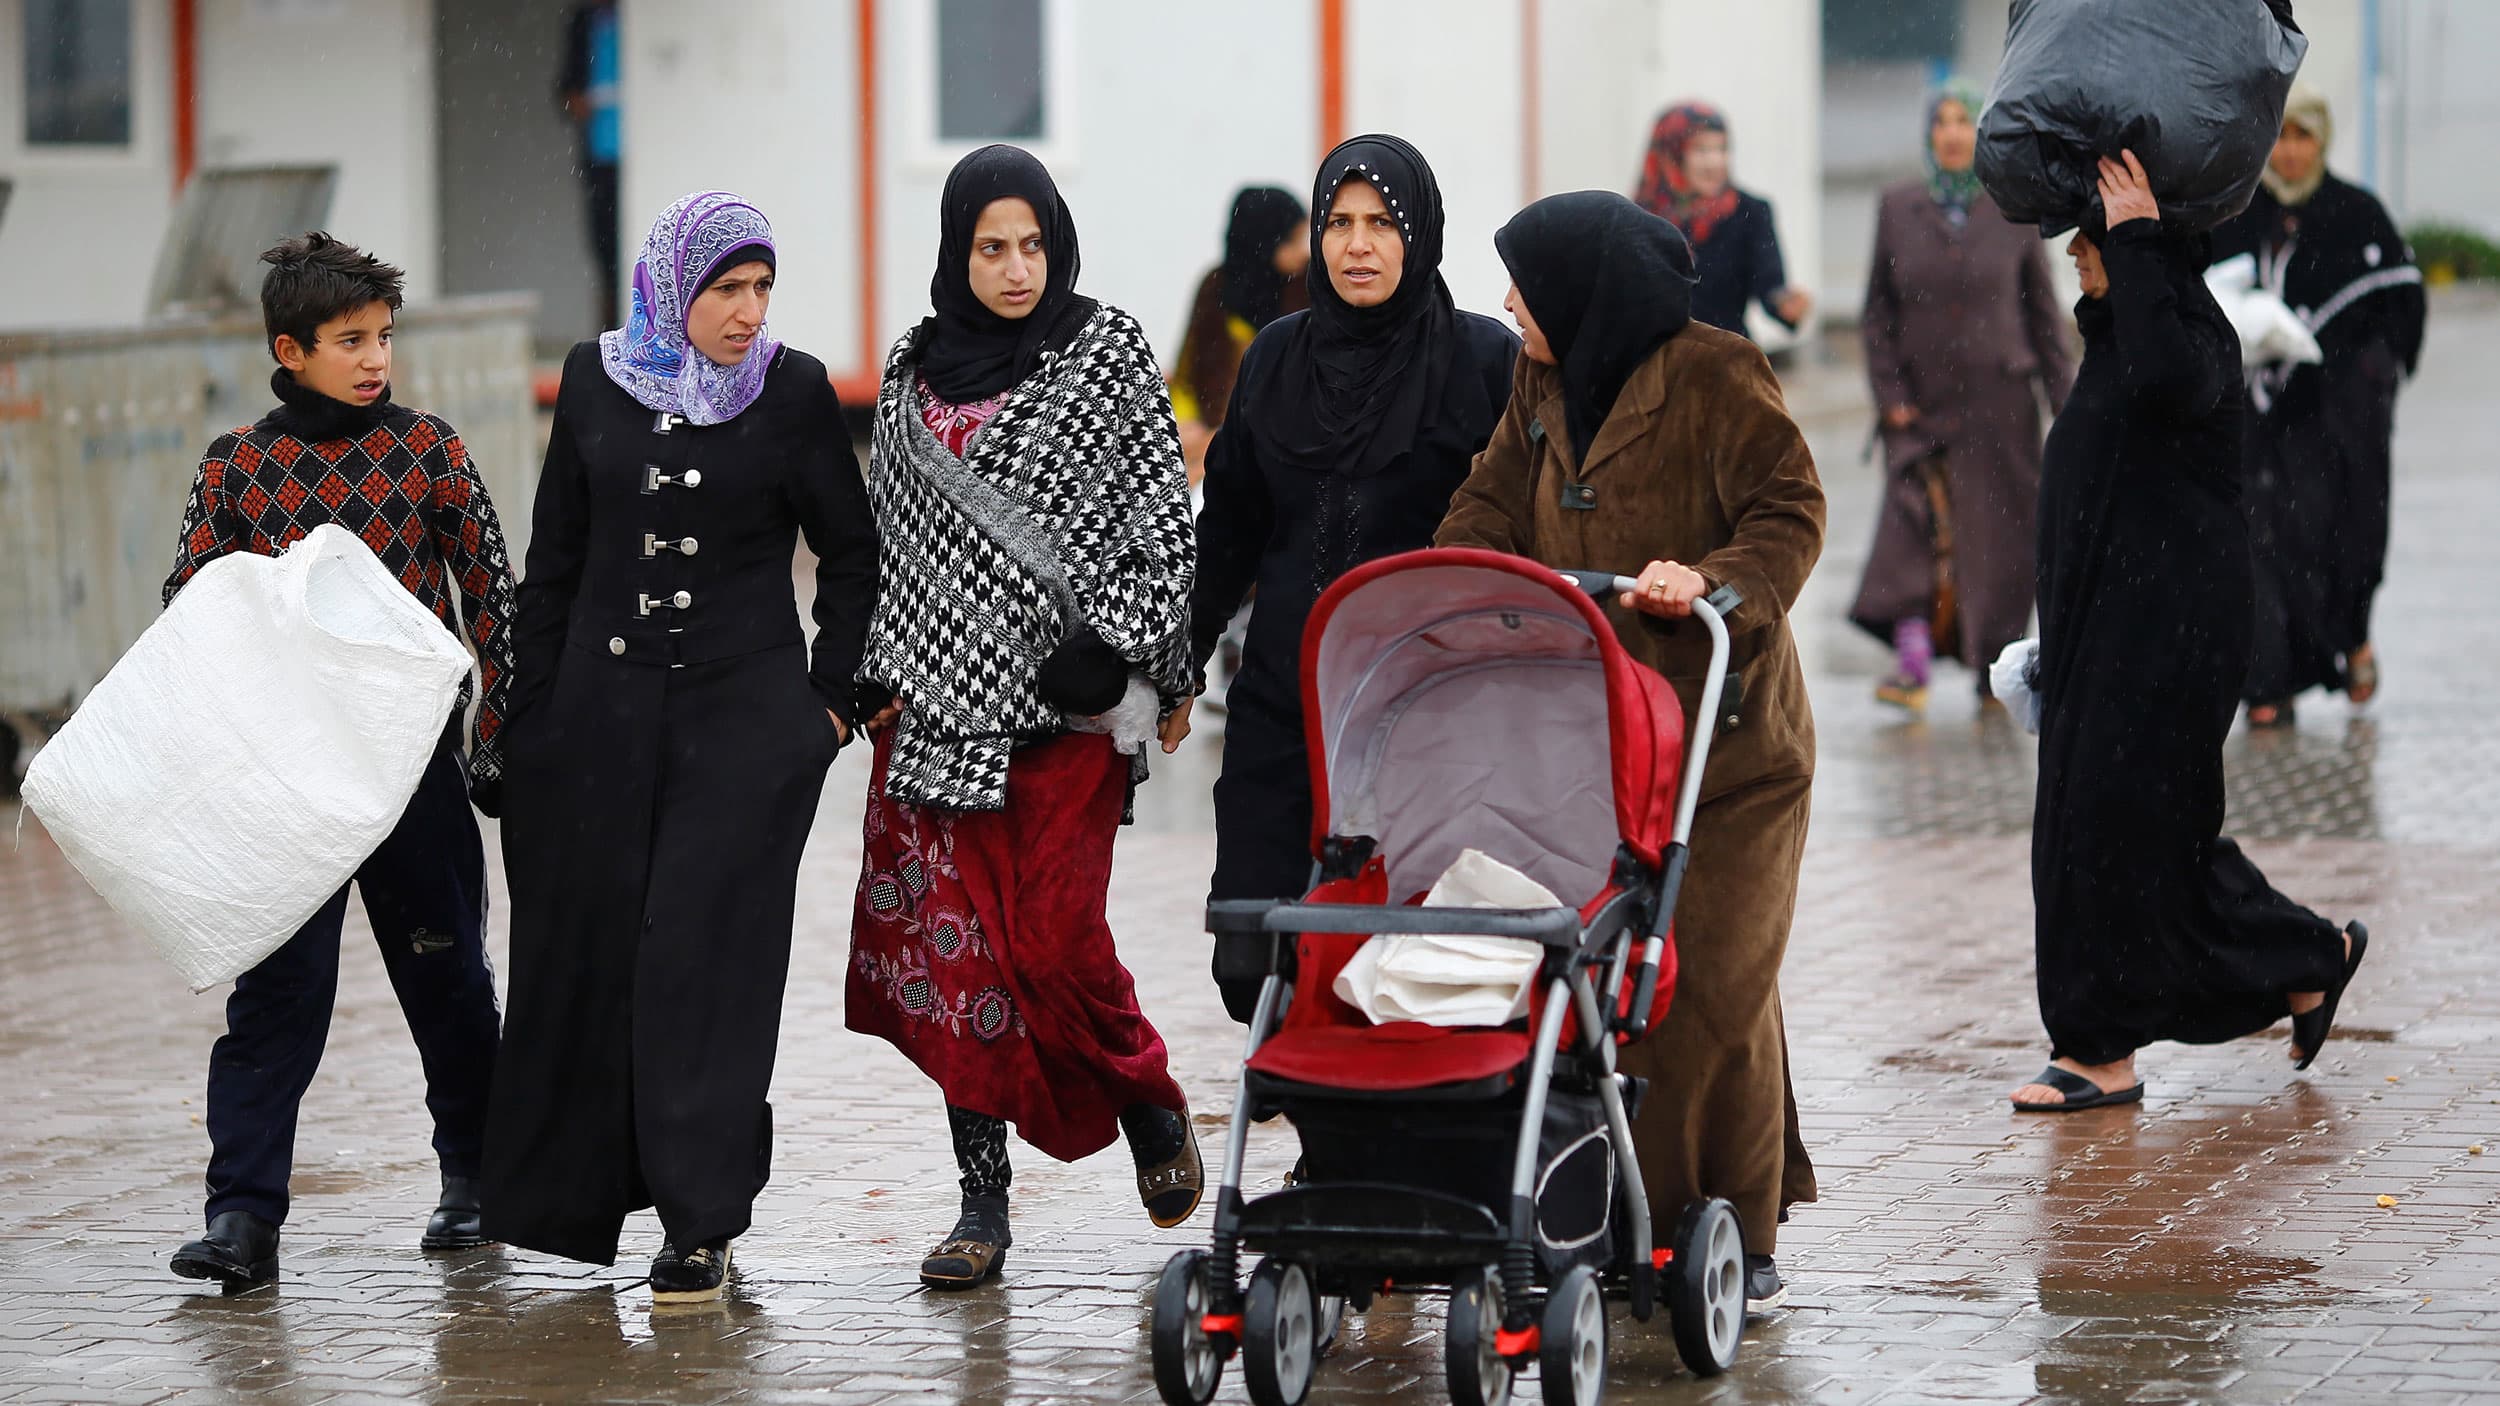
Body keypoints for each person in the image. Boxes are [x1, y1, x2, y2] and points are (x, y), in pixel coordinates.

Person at [482, 191, 879, 1302]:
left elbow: (853, 556)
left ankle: (701, 1221)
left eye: (762, 288)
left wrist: (827, 709)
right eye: (726, 289)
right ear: (672, 288)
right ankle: (579, 1198)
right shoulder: (593, 378)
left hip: (746, 729)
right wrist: (526, 718)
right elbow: (554, 562)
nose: (750, 311)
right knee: (594, 959)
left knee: (707, 967)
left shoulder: (793, 391)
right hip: (595, 724)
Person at [1436, 189, 1826, 1314]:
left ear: (1583, 294)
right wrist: (1472, 574)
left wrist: (1709, 579)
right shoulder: (1541, 382)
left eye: (1525, 286)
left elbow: (1791, 511)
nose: (1509, 304)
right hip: (1602, 739)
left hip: (1732, 745)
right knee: (1628, 981)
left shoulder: (1717, 372)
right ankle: (1644, 1214)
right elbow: (1485, 504)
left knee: (1715, 982)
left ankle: (1738, 1230)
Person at [846, 145, 1203, 1291]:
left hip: (1065, 713)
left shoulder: (1105, 353)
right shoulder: (911, 369)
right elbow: (890, 541)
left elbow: (1163, 521)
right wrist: (868, 667)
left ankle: (1146, 1096)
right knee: (966, 968)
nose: (1014, 268)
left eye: (1032, 245)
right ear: (956, 251)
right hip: (933, 716)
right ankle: (980, 1201)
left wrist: (1123, 648)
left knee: (1052, 941)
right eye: (991, 247)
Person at [161, 233, 515, 1289]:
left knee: (449, 982)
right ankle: (242, 1218)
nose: (374, 359)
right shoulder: (236, 465)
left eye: (383, 337)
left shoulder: (429, 450)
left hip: (411, 772)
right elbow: (190, 609)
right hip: (288, 784)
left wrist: (496, 735)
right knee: (275, 997)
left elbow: (494, 595)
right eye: (350, 341)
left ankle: (475, 1179)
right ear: (291, 349)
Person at [2013, 153, 2367, 1116]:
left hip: (2164, 645)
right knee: (2104, 843)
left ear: (2147, 250)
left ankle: (2106, 1045)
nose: (2076, 254)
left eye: (2092, 239)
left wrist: (2137, 237)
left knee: (2132, 843)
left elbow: (2167, 380)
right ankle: (2299, 962)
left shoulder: (2192, 339)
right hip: (2103, 640)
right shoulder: (2120, 338)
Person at [1183, 134, 1520, 1021]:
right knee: (1251, 953)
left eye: (1382, 223)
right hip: (1282, 701)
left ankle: (1363, 1109)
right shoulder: (1275, 358)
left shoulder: (1482, 361)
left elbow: (1527, 535)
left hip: (1427, 707)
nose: (1357, 245)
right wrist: (1178, 667)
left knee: (1402, 957)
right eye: (1338, 223)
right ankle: (1300, 1082)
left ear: (1420, 234)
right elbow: (1229, 531)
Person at [1851, 80, 2075, 712]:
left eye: (1964, 122)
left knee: (2002, 542)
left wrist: (2068, 405)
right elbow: (1876, 313)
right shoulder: (1898, 206)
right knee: (1912, 532)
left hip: (2001, 408)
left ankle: (1993, 666)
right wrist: (1890, 393)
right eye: (1942, 121)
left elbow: (2043, 315)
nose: (1952, 133)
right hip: (1920, 409)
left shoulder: (2014, 207)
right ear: (1929, 134)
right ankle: (1912, 662)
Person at [2209, 86, 2427, 728]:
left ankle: (2349, 637)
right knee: (2257, 543)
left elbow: (2401, 306)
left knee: (2339, 541)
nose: (2290, 152)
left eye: (2302, 137)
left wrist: (2367, 376)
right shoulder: (2238, 213)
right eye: (2280, 137)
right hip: (2256, 425)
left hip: (2336, 428)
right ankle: (2267, 683)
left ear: (2321, 142)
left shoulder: (2357, 215)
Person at [1634, 102, 1812, 340]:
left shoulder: (1749, 212)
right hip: (1661, 357)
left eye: (1722, 149)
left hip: (1727, 354)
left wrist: (1787, 304)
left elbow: (1770, 286)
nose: (1715, 162)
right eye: (1701, 150)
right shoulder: (1640, 218)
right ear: (1672, 154)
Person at [1170, 186, 1311, 481]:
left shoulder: (1305, 290)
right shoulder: (1215, 290)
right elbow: (1188, 374)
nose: (1302, 251)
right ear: (1266, 240)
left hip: (1282, 449)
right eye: (1293, 239)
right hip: (1214, 438)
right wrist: (1187, 424)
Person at [558, 0, 622, 330]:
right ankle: (610, 330)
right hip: (599, 159)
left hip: (633, 161)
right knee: (605, 252)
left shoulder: (632, 19)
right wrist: (579, 102)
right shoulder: (583, 22)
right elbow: (566, 92)